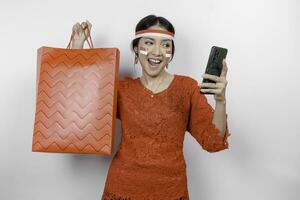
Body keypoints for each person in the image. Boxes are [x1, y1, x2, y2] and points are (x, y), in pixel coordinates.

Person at [70, 14, 231, 200]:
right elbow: (81, 107)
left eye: (165, 45)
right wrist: (77, 47)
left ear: (171, 54)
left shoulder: (187, 88)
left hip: (171, 191)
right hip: (122, 188)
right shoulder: (122, 90)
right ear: (136, 50)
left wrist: (221, 101)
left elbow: (213, 142)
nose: (157, 51)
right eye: (149, 43)